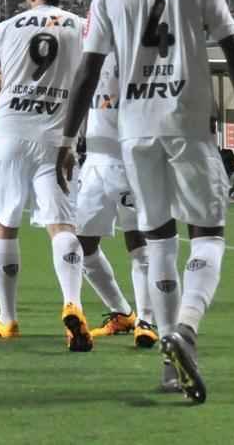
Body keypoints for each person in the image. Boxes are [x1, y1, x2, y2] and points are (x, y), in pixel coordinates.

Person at [59, 0, 234, 404]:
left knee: (159, 238)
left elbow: (87, 72)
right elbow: (233, 50)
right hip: (187, 124)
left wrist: (66, 139)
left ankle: (171, 367)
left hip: (134, 131)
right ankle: (186, 329)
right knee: (208, 233)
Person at [0, 0, 94, 351]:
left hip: (10, 130)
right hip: (57, 135)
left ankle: (8, 319)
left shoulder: (6, 27)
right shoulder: (81, 26)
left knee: (4, 224)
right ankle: (72, 303)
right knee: (62, 224)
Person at [74, 54, 158, 348]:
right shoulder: (95, 54)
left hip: (131, 160)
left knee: (138, 241)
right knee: (81, 244)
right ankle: (122, 312)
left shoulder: (145, 56)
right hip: (95, 162)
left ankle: (146, 320)